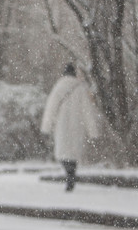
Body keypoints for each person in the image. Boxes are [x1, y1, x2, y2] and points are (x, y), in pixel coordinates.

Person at [40, 63, 99, 192]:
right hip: (77, 126)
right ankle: (71, 175)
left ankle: (69, 174)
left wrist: (46, 127)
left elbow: (51, 108)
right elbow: (88, 112)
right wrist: (93, 131)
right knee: (73, 153)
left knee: (63, 152)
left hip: (61, 125)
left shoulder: (58, 87)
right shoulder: (81, 88)